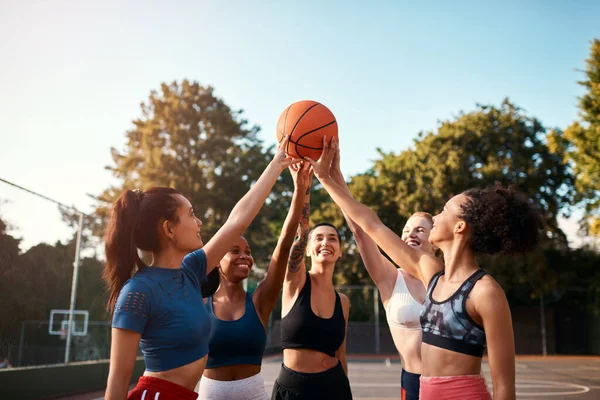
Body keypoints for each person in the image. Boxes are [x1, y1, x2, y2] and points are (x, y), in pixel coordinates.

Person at [307, 137, 541, 400]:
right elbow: (371, 225)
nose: (436, 216)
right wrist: (326, 178)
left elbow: (505, 389)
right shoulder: (429, 271)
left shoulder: (486, 292)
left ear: (460, 227)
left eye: (443, 211)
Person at [104, 136, 299, 400]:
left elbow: (236, 223)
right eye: (191, 214)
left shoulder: (191, 270)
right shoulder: (138, 291)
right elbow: (117, 380)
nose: (199, 221)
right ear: (169, 229)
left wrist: (276, 165)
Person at [327, 140, 434, 399]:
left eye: (420, 229)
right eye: (406, 230)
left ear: (436, 241)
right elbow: (361, 232)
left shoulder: (444, 277)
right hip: (414, 382)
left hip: (452, 382)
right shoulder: (390, 278)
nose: (410, 234)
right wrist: (335, 175)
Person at [197, 162, 314, 400]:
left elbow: (282, 248)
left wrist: (300, 189)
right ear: (218, 259)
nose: (244, 256)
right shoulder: (198, 304)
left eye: (248, 252)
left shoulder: (261, 301)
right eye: (235, 250)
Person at [270, 173, 352, 400]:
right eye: (319, 238)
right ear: (307, 249)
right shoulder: (296, 282)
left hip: (334, 389)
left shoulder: (342, 302)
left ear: (340, 250)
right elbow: (299, 233)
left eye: (333, 238)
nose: (326, 242)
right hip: (293, 390)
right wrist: (303, 188)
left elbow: (341, 356)